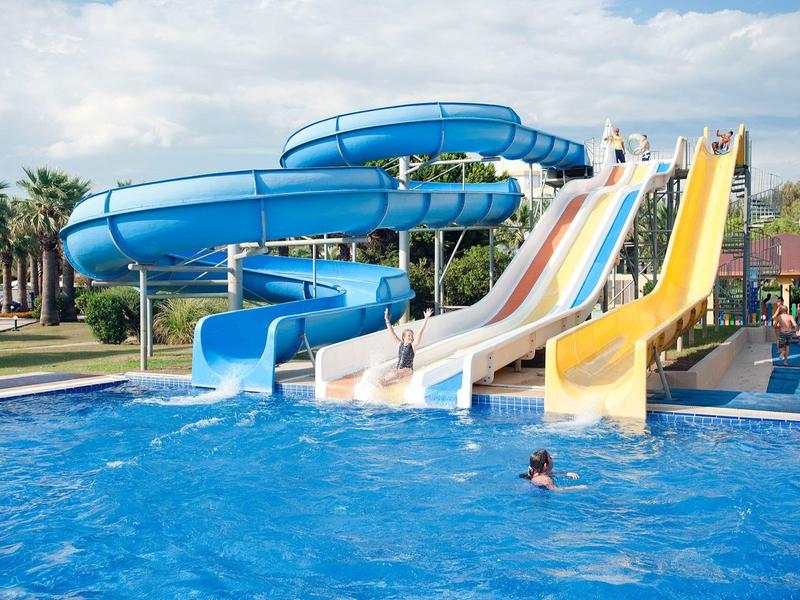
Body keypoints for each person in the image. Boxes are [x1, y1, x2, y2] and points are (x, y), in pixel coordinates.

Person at [379, 306, 433, 385]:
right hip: (399, 370)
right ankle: (383, 383)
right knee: (391, 372)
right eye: (409, 336)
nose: (411, 337)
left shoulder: (413, 346)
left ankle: (383, 382)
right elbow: (392, 333)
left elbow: (420, 331)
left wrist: (426, 319)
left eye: (412, 335)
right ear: (404, 337)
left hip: (408, 370)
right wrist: (387, 320)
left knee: (396, 373)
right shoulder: (399, 345)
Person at [519, 449, 586, 492]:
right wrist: (578, 487)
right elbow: (556, 490)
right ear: (546, 465)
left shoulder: (535, 472)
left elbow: (551, 473)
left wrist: (566, 473)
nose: (552, 459)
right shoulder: (546, 480)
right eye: (550, 458)